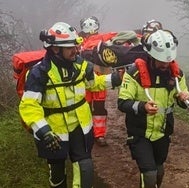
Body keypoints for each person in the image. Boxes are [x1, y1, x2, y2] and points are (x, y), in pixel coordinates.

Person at [19, 22, 122, 188]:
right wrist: (44, 131)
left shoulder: (80, 65)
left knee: (85, 168)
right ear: (55, 49)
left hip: (80, 128)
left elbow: (94, 84)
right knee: (58, 174)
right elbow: (29, 106)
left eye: (75, 45)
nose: (75, 50)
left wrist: (116, 79)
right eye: (70, 47)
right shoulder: (39, 73)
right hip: (54, 133)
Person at [117, 29, 189, 188]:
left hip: (163, 131)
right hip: (139, 131)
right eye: (161, 61)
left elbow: (183, 102)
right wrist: (143, 107)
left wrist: (183, 99)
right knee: (149, 174)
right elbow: (122, 103)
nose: (165, 65)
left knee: (158, 171)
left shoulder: (176, 74)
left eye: (168, 60)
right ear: (151, 56)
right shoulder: (134, 73)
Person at [79, 16, 116, 146]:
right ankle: (88, 132)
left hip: (100, 77)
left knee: (99, 107)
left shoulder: (102, 39)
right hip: (84, 79)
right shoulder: (78, 41)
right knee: (86, 106)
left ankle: (98, 134)